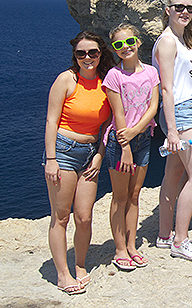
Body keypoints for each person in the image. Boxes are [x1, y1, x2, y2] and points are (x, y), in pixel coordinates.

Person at [44, 31, 114, 294]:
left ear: (100, 54)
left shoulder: (106, 82)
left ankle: (80, 264)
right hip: (63, 151)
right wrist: (51, 159)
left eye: (92, 53)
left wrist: (99, 154)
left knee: (84, 217)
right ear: (75, 55)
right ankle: (63, 274)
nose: (87, 58)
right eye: (81, 53)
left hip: (90, 153)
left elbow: (108, 124)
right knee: (61, 217)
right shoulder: (66, 79)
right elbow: (51, 120)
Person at [152, 0, 192, 261]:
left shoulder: (180, 39)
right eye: (178, 7)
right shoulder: (167, 42)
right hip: (181, 114)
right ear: (167, 10)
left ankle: (164, 235)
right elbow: (166, 88)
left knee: (173, 174)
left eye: (189, 8)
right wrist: (172, 130)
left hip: (184, 111)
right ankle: (180, 240)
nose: (184, 12)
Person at [103, 23, 160, 271]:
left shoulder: (151, 72)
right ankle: (119, 249)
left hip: (143, 138)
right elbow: (119, 114)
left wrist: (137, 132)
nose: (125, 47)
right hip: (120, 142)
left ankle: (132, 245)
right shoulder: (114, 76)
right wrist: (125, 146)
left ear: (138, 43)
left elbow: (153, 107)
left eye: (129, 42)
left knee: (135, 195)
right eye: (118, 45)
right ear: (114, 50)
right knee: (121, 196)